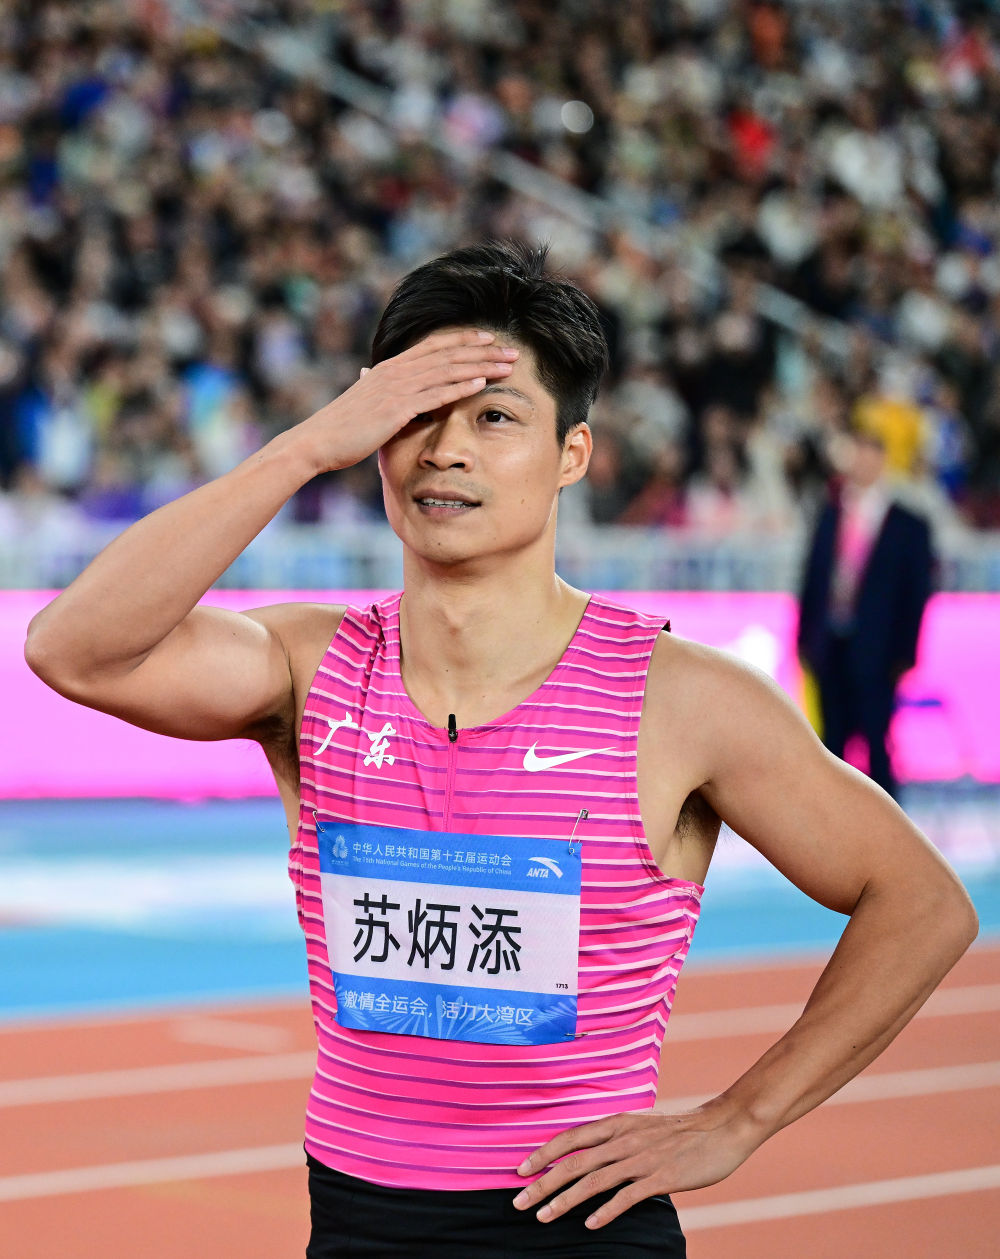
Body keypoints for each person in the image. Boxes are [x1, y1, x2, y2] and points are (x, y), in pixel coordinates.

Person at [25, 241, 976, 1257]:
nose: (446, 450)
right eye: (416, 412)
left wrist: (737, 1119)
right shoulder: (307, 667)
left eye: (494, 416)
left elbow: (922, 902)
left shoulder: (681, 699)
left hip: (580, 1224)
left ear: (573, 453)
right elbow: (71, 648)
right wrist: (302, 450)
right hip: (356, 1223)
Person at [797, 426, 935, 799]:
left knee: (877, 742)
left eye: (869, 452)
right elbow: (813, 578)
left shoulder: (907, 524)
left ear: (882, 459)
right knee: (830, 744)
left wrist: (906, 652)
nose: (861, 461)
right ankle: (829, 820)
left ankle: (886, 824)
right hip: (830, 645)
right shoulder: (830, 511)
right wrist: (805, 640)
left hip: (878, 651)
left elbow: (915, 594)